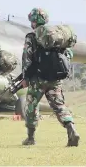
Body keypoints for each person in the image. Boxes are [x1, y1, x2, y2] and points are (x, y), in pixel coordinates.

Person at [22, 8, 80, 146]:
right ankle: (71, 129)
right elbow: (68, 55)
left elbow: (27, 58)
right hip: (55, 79)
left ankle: (31, 138)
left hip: (38, 79)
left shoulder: (32, 36)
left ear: (33, 21)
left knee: (31, 106)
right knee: (59, 106)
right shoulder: (57, 37)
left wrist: (26, 77)